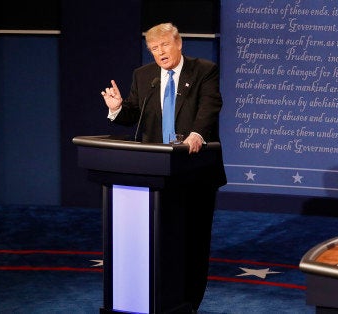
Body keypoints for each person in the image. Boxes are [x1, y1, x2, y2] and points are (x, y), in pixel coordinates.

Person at [100, 22, 226, 311]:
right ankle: (159, 298)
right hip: (156, 174)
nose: (160, 53)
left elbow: (210, 106)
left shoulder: (203, 70)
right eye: (154, 49)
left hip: (195, 169)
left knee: (194, 240)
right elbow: (135, 113)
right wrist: (118, 107)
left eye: (164, 45)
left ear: (178, 43)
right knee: (160, 240)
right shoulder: (143, 76)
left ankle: (189, 303)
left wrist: (197, 133)